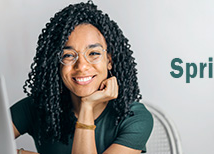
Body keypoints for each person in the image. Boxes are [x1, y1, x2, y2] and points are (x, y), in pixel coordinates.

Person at [10, 1, 153, 154]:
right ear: (56, 64)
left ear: (109, 61)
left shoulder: (135, 117)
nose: (82, 66)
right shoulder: (36, 107)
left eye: (93, 53)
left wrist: (87, 106)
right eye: (68, 55)